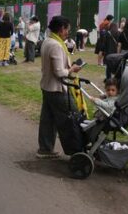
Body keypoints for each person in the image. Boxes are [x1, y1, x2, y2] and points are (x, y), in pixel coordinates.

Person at [37, 15, 83, 158]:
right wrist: (72, 70)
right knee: (69, 118)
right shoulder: (56, 45)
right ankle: (76, 150)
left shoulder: (47, 41)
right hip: (56, 88)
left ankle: (45, 148)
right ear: (61, 29)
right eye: (67, 29)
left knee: (48, 119)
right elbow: (59, 72)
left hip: (47, 86)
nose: (68, 33)